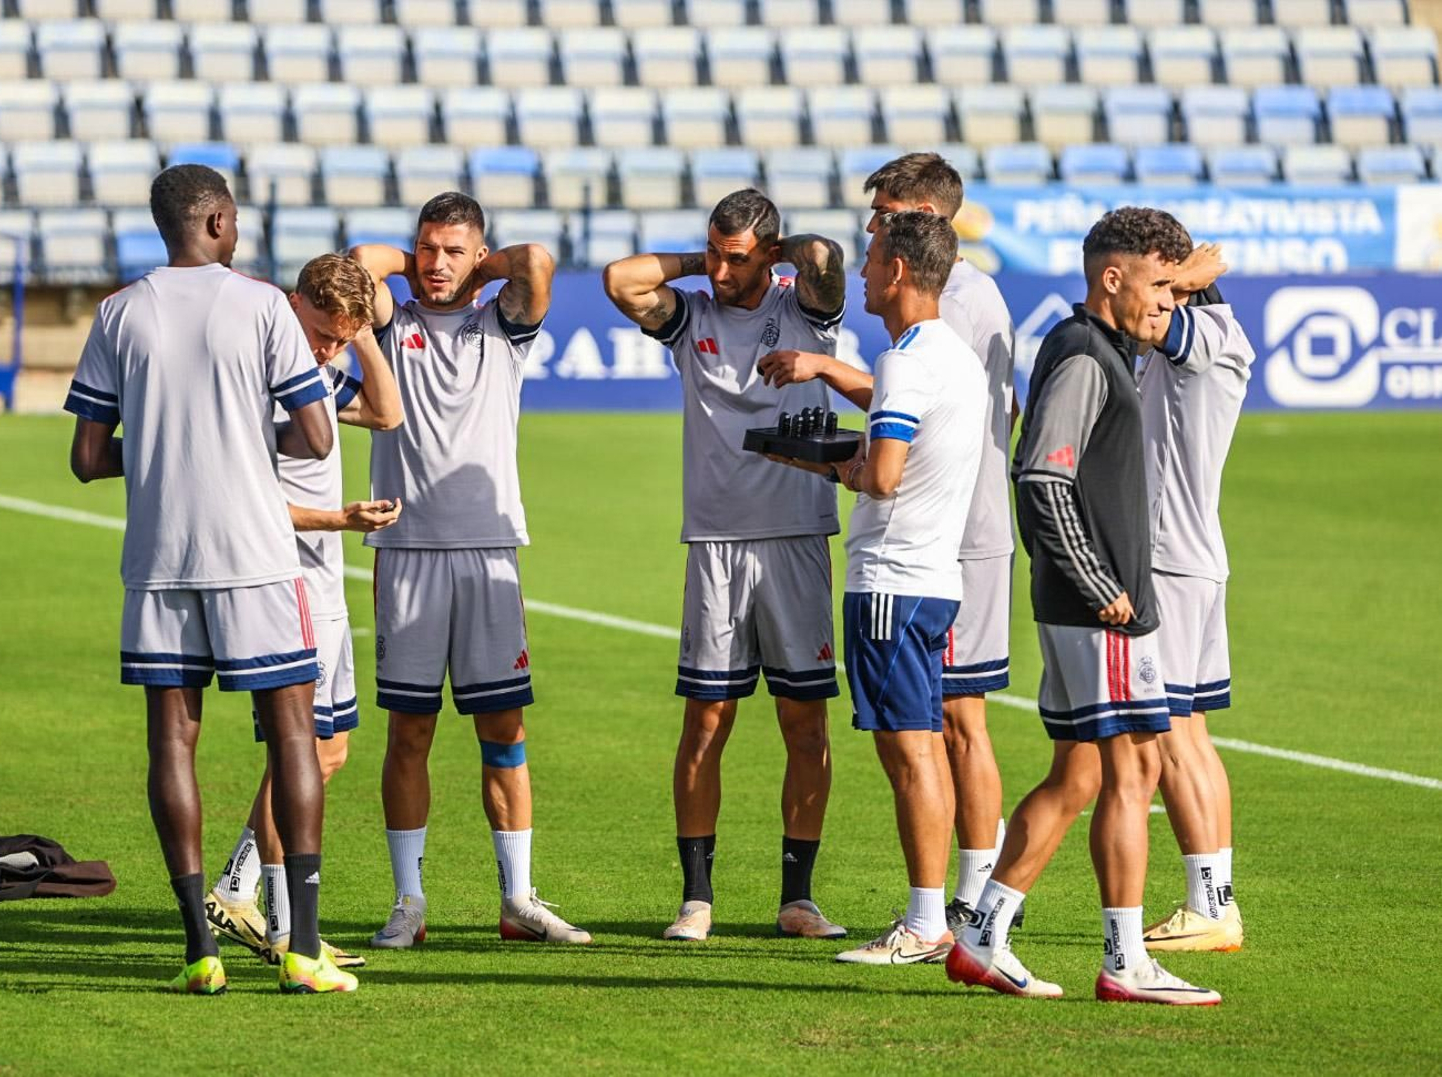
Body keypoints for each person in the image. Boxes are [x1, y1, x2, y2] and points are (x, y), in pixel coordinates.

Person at [64, 164, 354, 995]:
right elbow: (316, 438)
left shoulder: (118, 312)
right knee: (295, 732)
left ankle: (200, 949)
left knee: (172, 742)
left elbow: (87, 458)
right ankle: (302, 947)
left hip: (160, 559)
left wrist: (159, 451)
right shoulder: (263, 304)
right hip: (255, 555)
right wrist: (241, 442)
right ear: (220, 221)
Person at [946, 207, 1221, 1005]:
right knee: (1135, 764)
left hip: (1084, 605)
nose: (1169, 302)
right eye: (1159, 285)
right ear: (1112, 277)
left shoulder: (1100, 350)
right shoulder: (1082, 357)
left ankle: (983, 933)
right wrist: (1103, 587)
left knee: (1079, 774)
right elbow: (1041, 476)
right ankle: (1125, 958)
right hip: (1096, 608)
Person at [759, 152, 1019, 931]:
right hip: (943, 534)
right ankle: (961, 904)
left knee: (952, 724)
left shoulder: (957, 307)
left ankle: (966, 903)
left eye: (885, 217)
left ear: (924, 225)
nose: (871, 231)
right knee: (939, 725)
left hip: (945, 538)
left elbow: (924, 414)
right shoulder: (950, 313)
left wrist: (844, 444)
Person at [603, 189, 851, 942]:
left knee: (804, 724)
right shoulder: (693, 317)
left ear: (769, 255)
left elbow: (826, 261)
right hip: (715, 544)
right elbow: (621, 280)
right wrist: (700, 260)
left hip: (797, 538)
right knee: (706, 722)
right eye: (710, 253)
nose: (716, 270)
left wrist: (775, 255)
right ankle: (697, 896)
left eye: (734, 257)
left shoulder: (805, 307)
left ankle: (798, 897)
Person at [350, 192, 590, 948]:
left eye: (456, 250)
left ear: (481, 255)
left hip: (490, 551)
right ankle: (409, 901)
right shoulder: (394, 324)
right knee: (409, 732)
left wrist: (476, 268)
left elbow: (538, 263)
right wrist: (419, 265)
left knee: (504, 730)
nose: (438, 261)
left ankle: (518, 899)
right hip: (408, 551)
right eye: (428, 248)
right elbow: (361, 264)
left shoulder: (503, 326)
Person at [206, 253, 405, 970]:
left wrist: (362, 335)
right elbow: (245, 497)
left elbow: (387, 411)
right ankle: (289, 930)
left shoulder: (319, 366)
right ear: (292, 305)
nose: (325, 348)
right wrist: (339, 519)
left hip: (322, 582)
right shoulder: (260, 374)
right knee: (301, 751)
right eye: (320, 331)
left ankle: (238, 887)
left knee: (328, 750)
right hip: (280, 578)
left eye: (337, 339)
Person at [1135, 242, 1254, 954]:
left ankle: (1210, 908)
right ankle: (1213, 899)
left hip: (1170, 564)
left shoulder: (1204, 335)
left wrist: (1175, 280)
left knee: (1171, 734)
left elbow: (1154, 325)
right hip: (1193, 557)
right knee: (1193, 734)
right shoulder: (1208, 338)